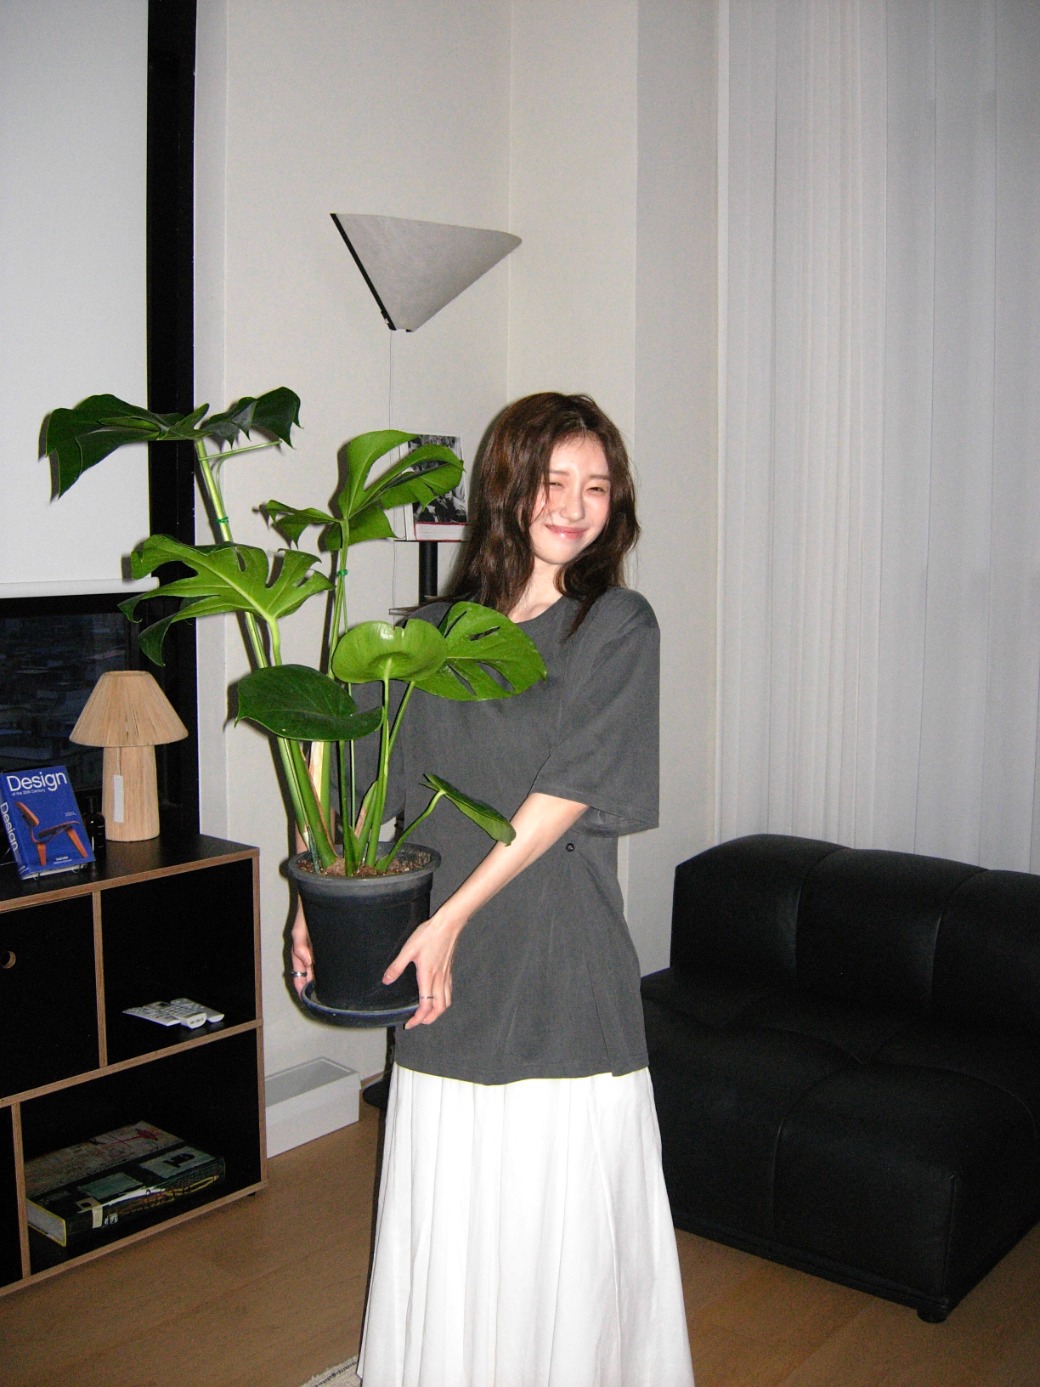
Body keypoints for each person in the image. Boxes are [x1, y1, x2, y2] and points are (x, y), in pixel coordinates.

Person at [291, 392, 695, 1387]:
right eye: (553, 481)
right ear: (506, 488)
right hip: (447, 970)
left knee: (560, 1237)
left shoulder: (613, 624)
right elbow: (340, 779)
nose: (575, 505)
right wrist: (311, 896)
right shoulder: (422, 636)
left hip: (557, 963)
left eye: (597, 486)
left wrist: (451, 920)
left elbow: (567, 792)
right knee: (455, 1215)